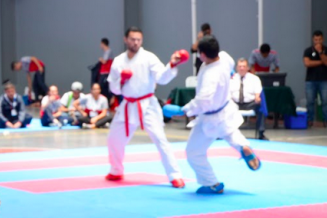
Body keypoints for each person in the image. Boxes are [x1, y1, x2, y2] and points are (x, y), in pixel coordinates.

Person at [106, 26, 188, 189]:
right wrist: (121, 80)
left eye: (138, 40)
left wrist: (172, 65)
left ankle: (175, 175)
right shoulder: (118, 61)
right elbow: (113, 89)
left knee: (160, 139)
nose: (135, 42)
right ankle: (116, 169)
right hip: (128, 105)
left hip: (148, 104)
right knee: (113, 139)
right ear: (125, 39)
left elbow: (162, 78)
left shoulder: (149, 58)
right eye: (132, 39)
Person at [183, 36, 262, 194]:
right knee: (230, 133)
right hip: (226, 109)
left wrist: (183, 110)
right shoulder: (224, 58)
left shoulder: (211, 75)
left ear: (203, 54)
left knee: (193, 152)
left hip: (210, 117)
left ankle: (212, 183)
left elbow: (203, 101)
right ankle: (243, 147)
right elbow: (231, 63)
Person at [231, 58, 268, 140]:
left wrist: (257, 98)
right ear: (237, 68)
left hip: (250, 104)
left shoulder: (254, 79)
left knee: (261, 106)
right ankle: (222, 133)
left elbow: (258, 93)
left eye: (244, 66)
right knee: (223, 107)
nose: (242, 68)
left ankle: (261, 133)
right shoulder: (231, 79)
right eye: (240, 66)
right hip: (234, 104)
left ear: (248, 68)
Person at [303, 30, 327, 128]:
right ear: (313, 40)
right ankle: (309, 120)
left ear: (322, 39)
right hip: (310, 80)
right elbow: (307, 63)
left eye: (319, 40)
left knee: (325, 101)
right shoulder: (308, 51)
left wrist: (320, 52)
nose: (318, 42)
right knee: (310, 101)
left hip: (324, 80)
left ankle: (326, 121)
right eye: (316, 40)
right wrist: (321, 62)